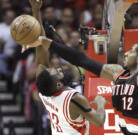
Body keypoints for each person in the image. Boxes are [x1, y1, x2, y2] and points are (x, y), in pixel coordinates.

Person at [23, 1, 138, 135]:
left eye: (131, 51)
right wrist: (50, 43)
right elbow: (82, 60)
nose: (126, 53)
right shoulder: (117, 73)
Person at [28, 0, 108, 135]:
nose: (59, 68)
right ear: (59, 84)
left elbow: (40, 44)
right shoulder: (74, 98)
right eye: (57, 72)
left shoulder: (44, 92)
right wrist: (100, 103)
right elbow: (99, 121)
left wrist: (36, 11)